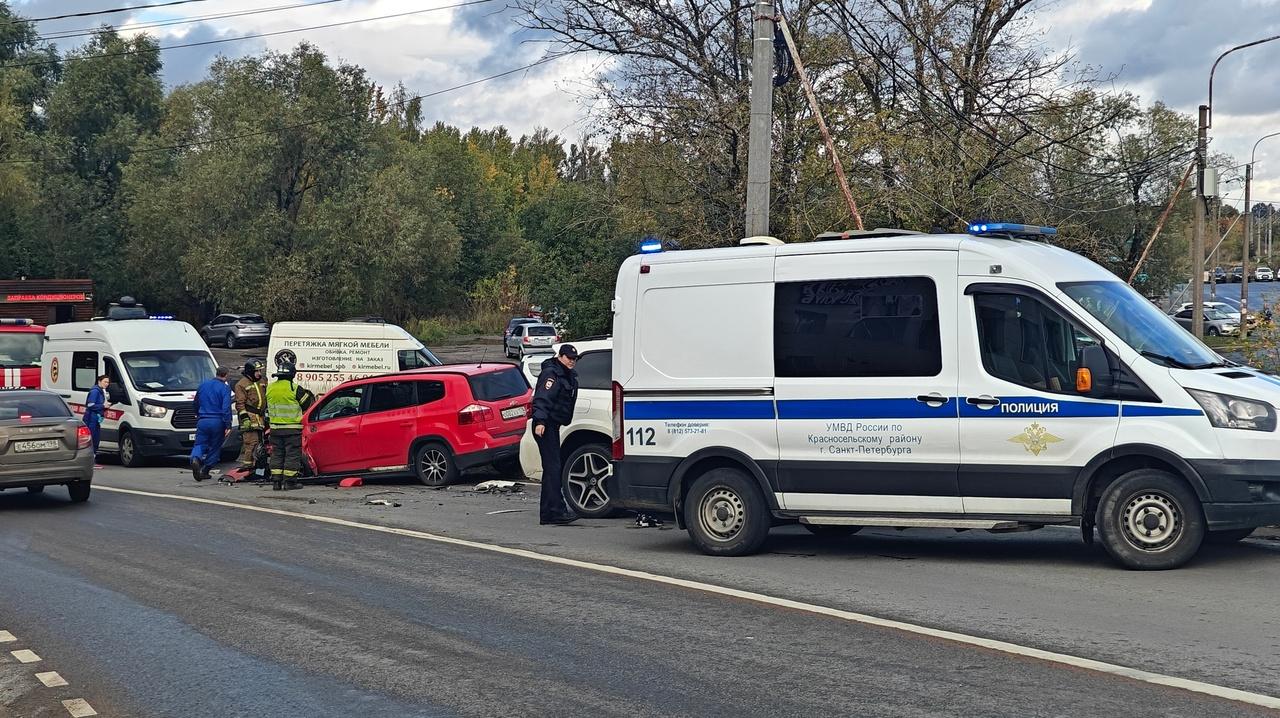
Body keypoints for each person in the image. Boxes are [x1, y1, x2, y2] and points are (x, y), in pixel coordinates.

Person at [532, 344, 580, 525]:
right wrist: (540, 421)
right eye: (569, 358)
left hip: (553, 425)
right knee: (553, 469)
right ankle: (555, 512)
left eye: (574, 359)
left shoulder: (567, 374)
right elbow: (543, 397)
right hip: (545, 426)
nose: (572, 361)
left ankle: (548, 513)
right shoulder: (551, 374)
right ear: (560, 356)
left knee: (552, 469)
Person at [266, 360, 315, 491]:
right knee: (292, 455)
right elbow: (307, 404)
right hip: (292, 429)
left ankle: (276, 482)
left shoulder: (270, 388)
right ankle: (290, 482)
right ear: (292, 374)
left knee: (277, 454)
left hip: (275, 429)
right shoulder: (295, 388)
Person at [191, 367, 233, 481]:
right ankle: (205, 470)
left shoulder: (203, 385)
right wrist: (228, 424)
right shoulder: (225, 388)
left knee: (199, 444)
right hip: (217, 421)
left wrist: (198, 414)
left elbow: (195, 402)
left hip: (203, 420)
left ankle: (195, 458)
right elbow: (225, 408)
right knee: (215, 447)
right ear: (226, 375)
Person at [233, 360, 268, 473]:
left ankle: (259, 469)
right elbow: (240, 404)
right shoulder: (241, 384)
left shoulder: (262, 381)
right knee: (251, 443)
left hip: (260, 417)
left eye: (260, 370)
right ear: (249, 371)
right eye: (257, 371)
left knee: (261, 445)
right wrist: (245, 418)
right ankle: (248, 467)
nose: (259, 373)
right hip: (250, 417)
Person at [84, 374, 112, 466]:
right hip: (91, 419)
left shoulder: (101, 391)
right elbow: (90, 405)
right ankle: (89, 461)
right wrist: (103, 406)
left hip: (96, 419)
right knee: (92, 439)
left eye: (108, 382)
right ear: (99, 381)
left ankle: (92, 460)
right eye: (105, 381)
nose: (107, 384)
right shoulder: (95, 391)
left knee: (96, 439)